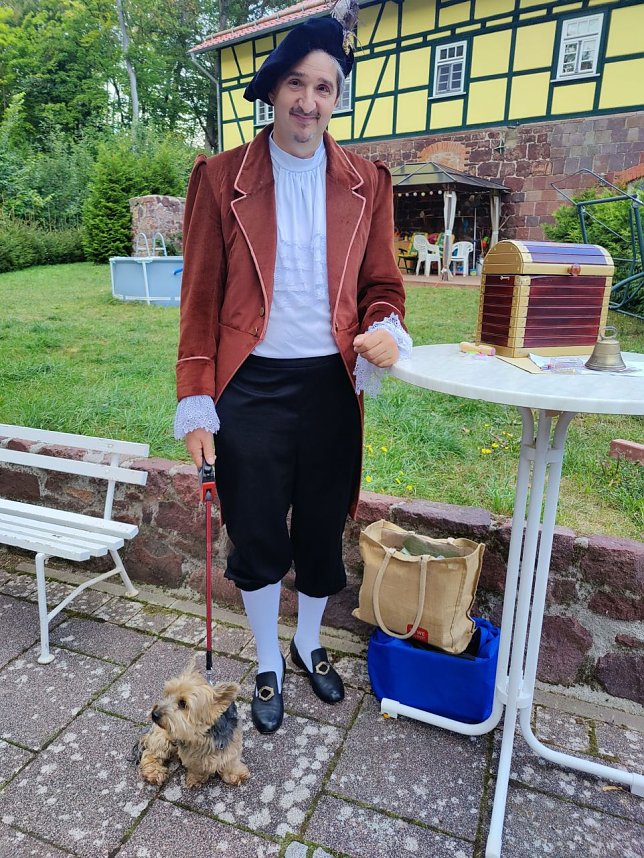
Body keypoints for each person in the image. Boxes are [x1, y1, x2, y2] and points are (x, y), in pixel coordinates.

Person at [174, 4, 412, 734]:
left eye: (326, 88)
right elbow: (199, 299)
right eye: (298, 85)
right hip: (251, 385)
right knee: (255, 529)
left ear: (337, 97)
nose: (310, 102)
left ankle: (309, 643)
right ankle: (269, 656)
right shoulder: (221, 179)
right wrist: (196, 399)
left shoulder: (366, 181)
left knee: (318, 526)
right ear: (275, 88)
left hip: (329, 385)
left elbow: (383, 285)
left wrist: (385, 327)